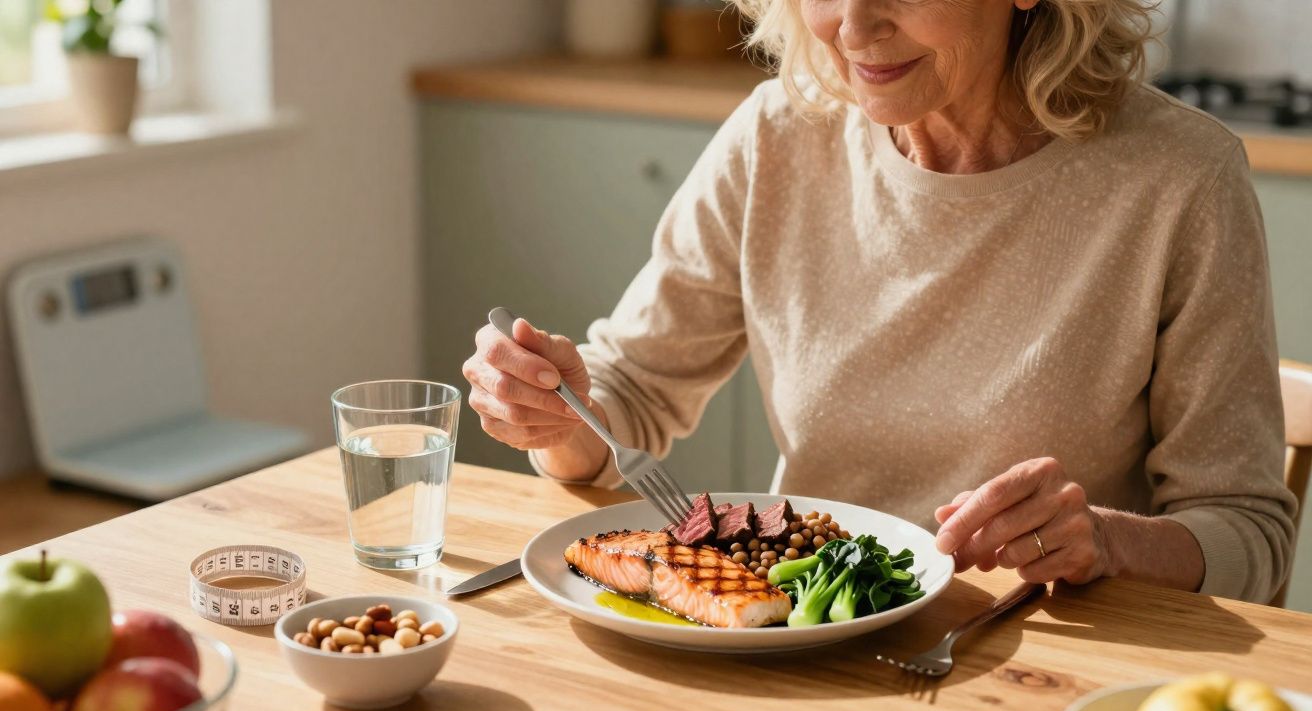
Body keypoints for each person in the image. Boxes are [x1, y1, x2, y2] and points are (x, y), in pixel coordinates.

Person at [461, 0, 1297, 603]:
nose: (854, 28)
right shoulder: (777, 136)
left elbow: (1247, 532)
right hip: (798, 640)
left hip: (1049, 662)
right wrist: (561, 417)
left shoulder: (1180, 180)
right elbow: (631, 393)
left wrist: (1107, 542)